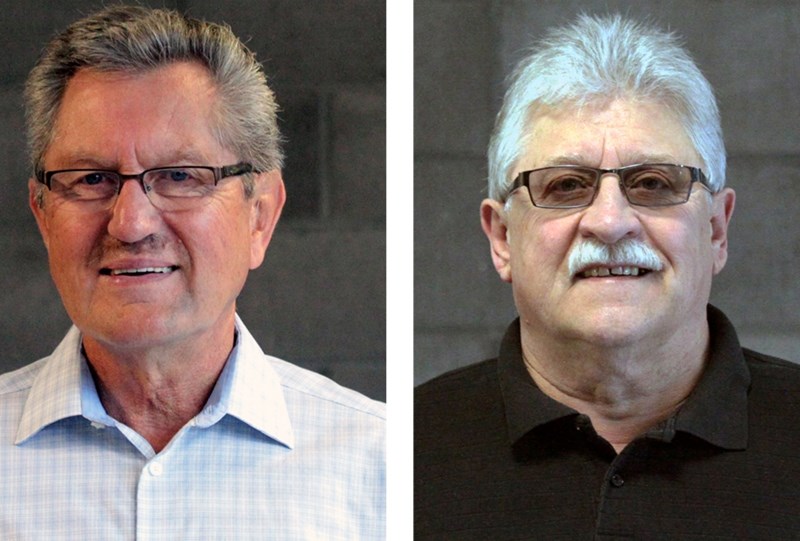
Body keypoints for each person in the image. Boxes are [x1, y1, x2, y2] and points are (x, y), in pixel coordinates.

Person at [0, 5, 384, 540]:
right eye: (91, 179)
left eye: (181, 175)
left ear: (260, 215)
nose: (131, 223)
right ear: (43, 215)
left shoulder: (381, 471)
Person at [415, 13, 800, 539]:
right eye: (567, 185)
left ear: (715, 230)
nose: (611, 222)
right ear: (502, 238)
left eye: (654, 182)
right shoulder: (407, 451)